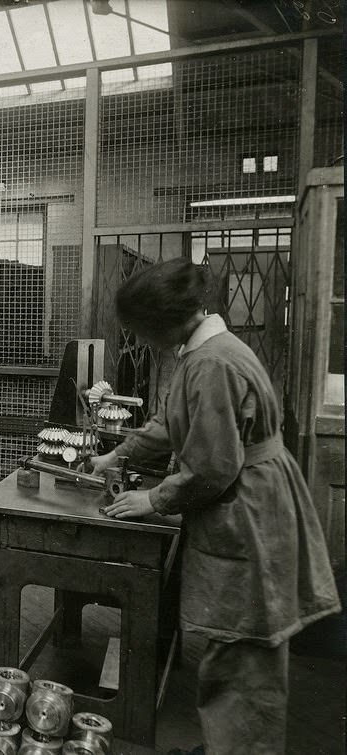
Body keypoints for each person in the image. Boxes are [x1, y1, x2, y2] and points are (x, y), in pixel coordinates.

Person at [88, 259, 340, 754]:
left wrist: (152, 498)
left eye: (139, 330)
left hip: (250, 508)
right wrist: (116, 455)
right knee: (236, 644)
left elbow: (211, 468)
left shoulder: (211, 363)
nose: (139, 340)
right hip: (248, 498)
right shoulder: (201, 351)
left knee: (246, 648)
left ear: (163, 322)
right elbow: (171, 423)